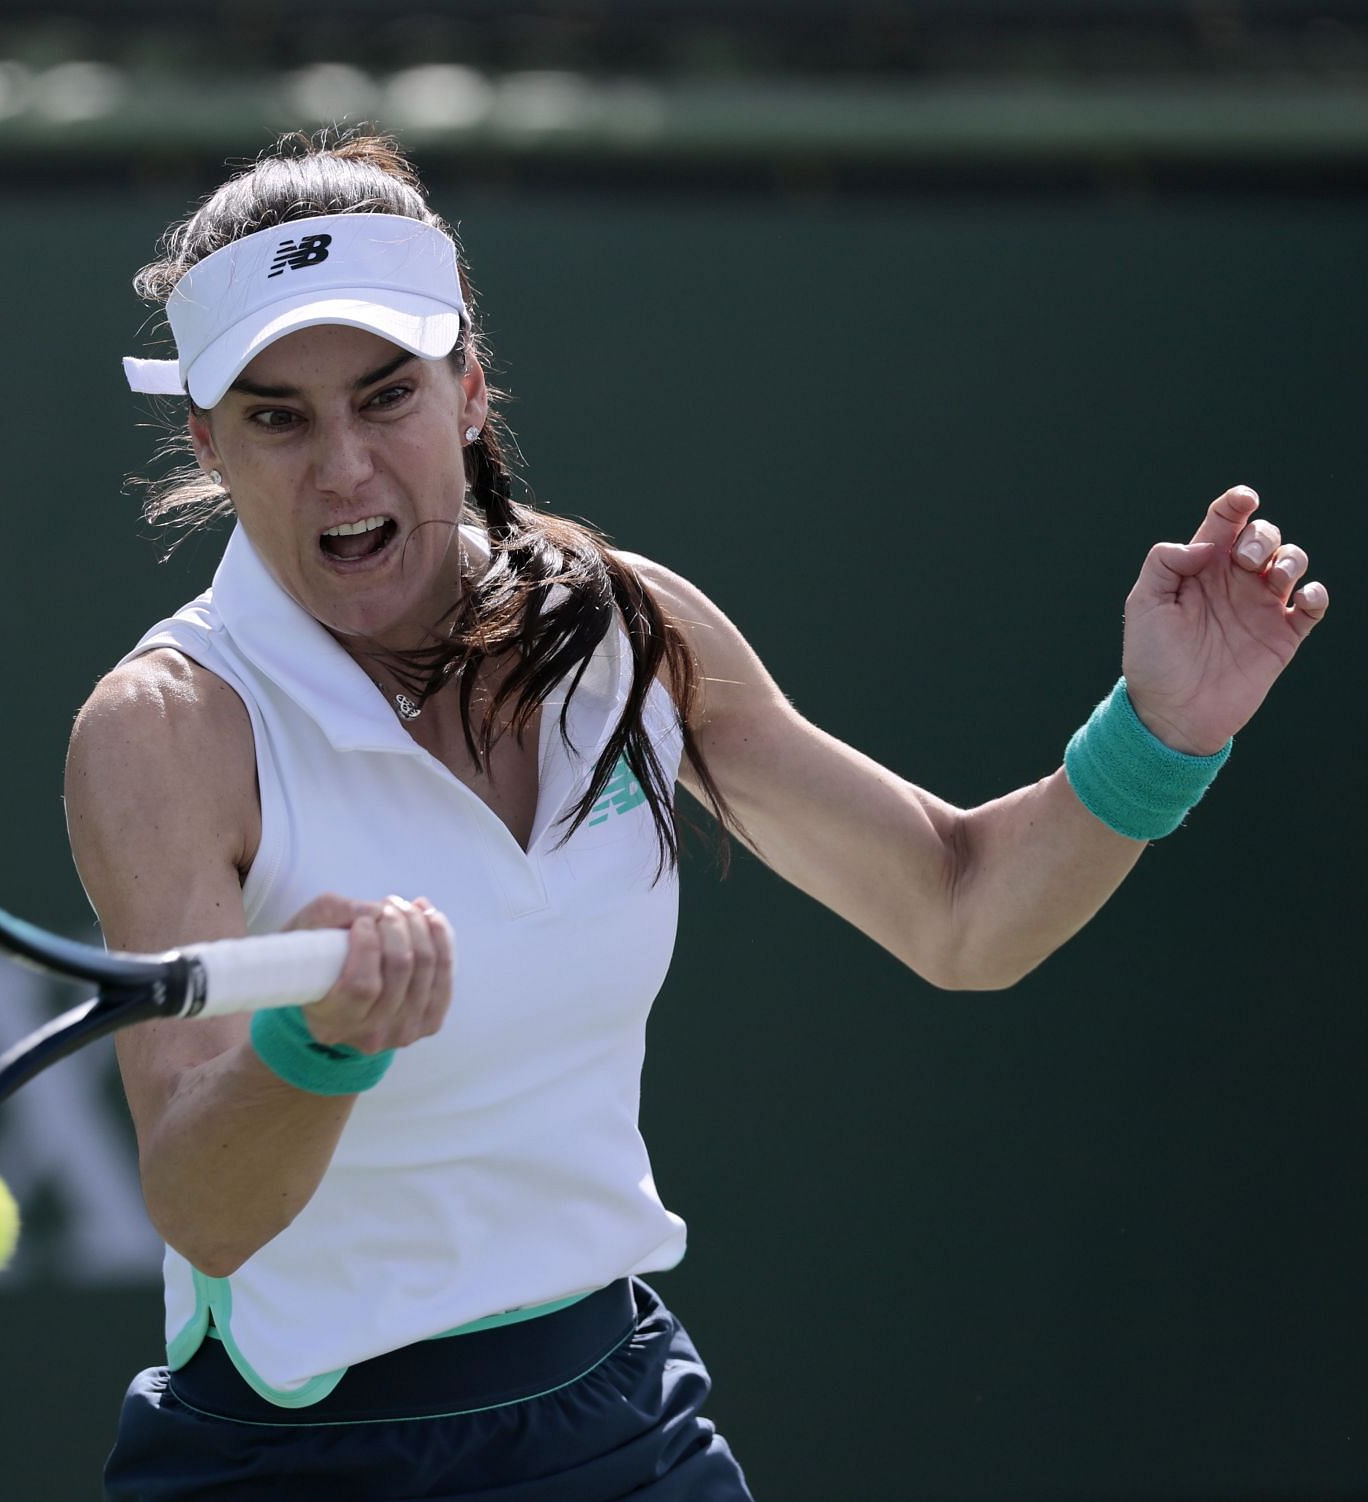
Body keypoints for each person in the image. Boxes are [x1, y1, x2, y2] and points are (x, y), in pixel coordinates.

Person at [64, 131, 1326, 1501]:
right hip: (287, 1465)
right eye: (278, 416)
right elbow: (203, 1202)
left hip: (617, 1433)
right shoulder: (167, 730)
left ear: (471, 388)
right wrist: (319, 1054)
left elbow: (963, 908)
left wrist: (1162, 733)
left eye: (386, 397)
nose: (346, 468)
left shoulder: (628, 631)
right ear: (205, 436)